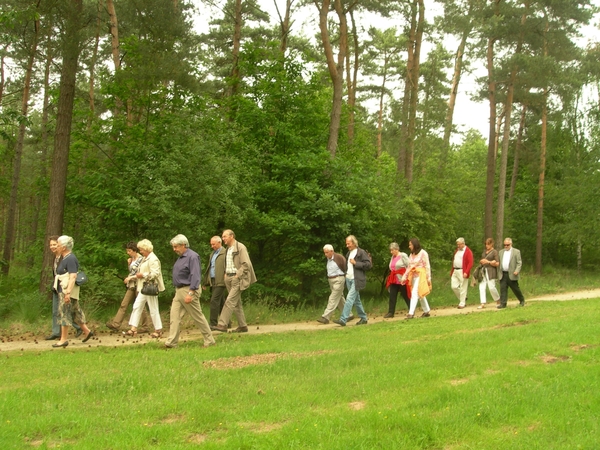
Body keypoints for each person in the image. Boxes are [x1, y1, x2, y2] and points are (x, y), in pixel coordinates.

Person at [164, 235, 215, 348]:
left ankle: (209, 340)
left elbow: (195, 276)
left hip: (188, 289)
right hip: (179, 291)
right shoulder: (180, 257)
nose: (174, 249)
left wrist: (191, 293)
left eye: (176, 247)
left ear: (183, 245)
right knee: (174, 316)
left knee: (197, 316)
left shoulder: (192, 256)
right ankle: (172, 342)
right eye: (173, 247)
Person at [211, 230, 257, 333]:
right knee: (236, 303)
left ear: (231, 236)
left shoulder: (240, 247)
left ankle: (222, 324)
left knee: (230, 300)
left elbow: (246, 264)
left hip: (237, 279)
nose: (223, 239)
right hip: (228, 278)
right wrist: (225, 275)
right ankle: (243, 326)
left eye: (225, 236)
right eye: (222, 237)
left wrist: (237, 275)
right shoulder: (227, 249)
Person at [51, 235, 93, 348]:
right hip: (64, 288)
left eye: (58, 245)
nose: (57, 247)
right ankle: (87, 331)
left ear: (64, 247)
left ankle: (63, 339)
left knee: (64, 312)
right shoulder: (64, 258)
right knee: (75, 311)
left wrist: (67, 293)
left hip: (66, 289)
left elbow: (73, 276)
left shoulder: (70, 258)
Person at [105, 242, 151, 331]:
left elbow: (140, 272)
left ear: (134, 250)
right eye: (127, 251)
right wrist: (129, 265)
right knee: (124, 304)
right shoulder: (131, 260)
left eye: (129, 251)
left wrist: (130, 278)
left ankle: (145, 326)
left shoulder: (142, 259)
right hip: (131, 285)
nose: (128, 253)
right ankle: (116, 324)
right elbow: (131, 271)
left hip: (139, 285)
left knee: (141, 305)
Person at [124, 239, 164, 338]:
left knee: (153, 308)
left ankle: (158, 330)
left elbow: (155, 274)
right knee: (137, 306)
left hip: (150, 288)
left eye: (141, 249)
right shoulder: (144, 258)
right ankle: (133, 328)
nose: (140, 251)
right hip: (143, 287)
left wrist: (144, 275)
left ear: (146, 249)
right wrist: (131, 277)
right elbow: (137, 273)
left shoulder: (153, 259)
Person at [45, 235, 82, 340]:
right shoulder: (56, 257)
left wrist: (68, 290)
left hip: (65, 287)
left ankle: (79, 327)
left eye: (55, 244)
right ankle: (56, 332)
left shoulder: (65, 257)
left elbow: (71, 274)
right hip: (57, 286)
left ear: (61, 245)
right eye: (51, 245)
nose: (52, 247)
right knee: (56, 310)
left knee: (67, 310)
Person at [334, 235, 371, 327]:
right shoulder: (348, 253)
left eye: (348, 243)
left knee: (349, 299)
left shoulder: (361, 252)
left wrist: (356, 263)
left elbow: (368, 265)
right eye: (346, 244)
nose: (347, 245)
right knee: (356, 300)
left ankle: (343, 319)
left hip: (356, 279)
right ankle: (363, 318)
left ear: (354, 243)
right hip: (349, 279)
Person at [317, 244, 351, 324]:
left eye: (327, 252)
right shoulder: (328, 259)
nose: (325, 254)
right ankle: (349, 314)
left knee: (333, 298)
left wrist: (345, 277)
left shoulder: (339, 258)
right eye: (324, 253)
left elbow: (345, 267)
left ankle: (325, 317)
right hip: (331, 280)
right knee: (339, 298)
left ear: (332, 251)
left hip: (338, 279)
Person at [402, 238, 432, 319]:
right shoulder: (411, 255)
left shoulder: (423, 253)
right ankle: (426, 311)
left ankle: (411, 313)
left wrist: (428, 277)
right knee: (420, 293)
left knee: (415, 292)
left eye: (410, 245)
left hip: (421, 275)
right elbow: (409, 267)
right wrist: (404, 276)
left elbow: (427, 266)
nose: (409, 246)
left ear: (415, 245)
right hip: (414, 276)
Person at [202, 236, 227, 327]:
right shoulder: (212, 254)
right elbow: (210, 268)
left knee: (214, 301)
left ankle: (213, 323)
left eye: (213, 244)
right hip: (213, 280)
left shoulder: (225, 253)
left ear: (219, 243)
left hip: (221, 280)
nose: (212, 246)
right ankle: (227, 322)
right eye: (211, 244)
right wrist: (205, 282)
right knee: (220, 302)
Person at [497, 237, 525, 309]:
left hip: (512, 274)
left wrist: (517, 270)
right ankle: (503, 303)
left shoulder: (516, 252)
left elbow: (519, 263)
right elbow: (499, 263)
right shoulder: (501, 252)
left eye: (507, 245)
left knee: (515, 288)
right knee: (503, 289)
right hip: (503, 273)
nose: (506, 246)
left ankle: (522, 300)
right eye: (505, 245)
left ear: (511, 244)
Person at [384, 242, 410, 318]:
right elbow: (391, 267)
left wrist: (405, 276)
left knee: (405, 294)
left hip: (402, 278)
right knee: (392, 295)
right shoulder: (393, 257)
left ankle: (411, 309)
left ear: (397, 249)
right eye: (390, 250)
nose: (391, 252)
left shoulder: (403, 255)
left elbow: (408, 265)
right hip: (394, 279)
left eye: (392, 250)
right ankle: (391, 312)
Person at [476, 238, 500, 309]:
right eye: (486, 244)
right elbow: (482, 260)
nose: (487, 246)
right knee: (482, 287)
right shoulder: (484, 252)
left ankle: (498, 300)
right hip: (483, 270)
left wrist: (488, 262)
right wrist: (482, 261)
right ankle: (482, 303)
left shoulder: (494, 252)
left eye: (488, 244)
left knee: (491, 287)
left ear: (492, 244)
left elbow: (497, 263)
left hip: (491, 270)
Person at [451, 237, 473, 309]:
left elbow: (470, 262)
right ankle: (463, 297)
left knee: (463, 287)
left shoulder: (468, 251)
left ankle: (462, 303)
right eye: (457, 245)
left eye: (459, 244)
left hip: (462, 270)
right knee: (454, 286)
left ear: (463, 244)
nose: (458, 246)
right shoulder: (457, 251)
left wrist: (466, 272)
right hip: (455, 270)